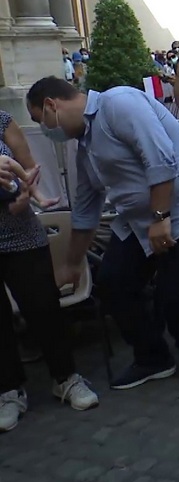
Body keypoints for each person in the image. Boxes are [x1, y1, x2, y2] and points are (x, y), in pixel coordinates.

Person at [26, 77, 179, 390]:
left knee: (174, 291)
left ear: (52, 105)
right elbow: (85, 209)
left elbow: (160, 157)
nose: (45, 130)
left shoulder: (118, 102)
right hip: (141, 220)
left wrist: (161, 216)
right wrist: (71, 264)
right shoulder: (86, 146)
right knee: (113, 283)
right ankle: (153, 358)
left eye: (40, 120)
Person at [0, 122, 97, 433]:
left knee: (44, 307)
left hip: (21, 234)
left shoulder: (1, 120)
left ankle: (66, 378)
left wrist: (29, 193)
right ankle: (8, 391)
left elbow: (29, 168)